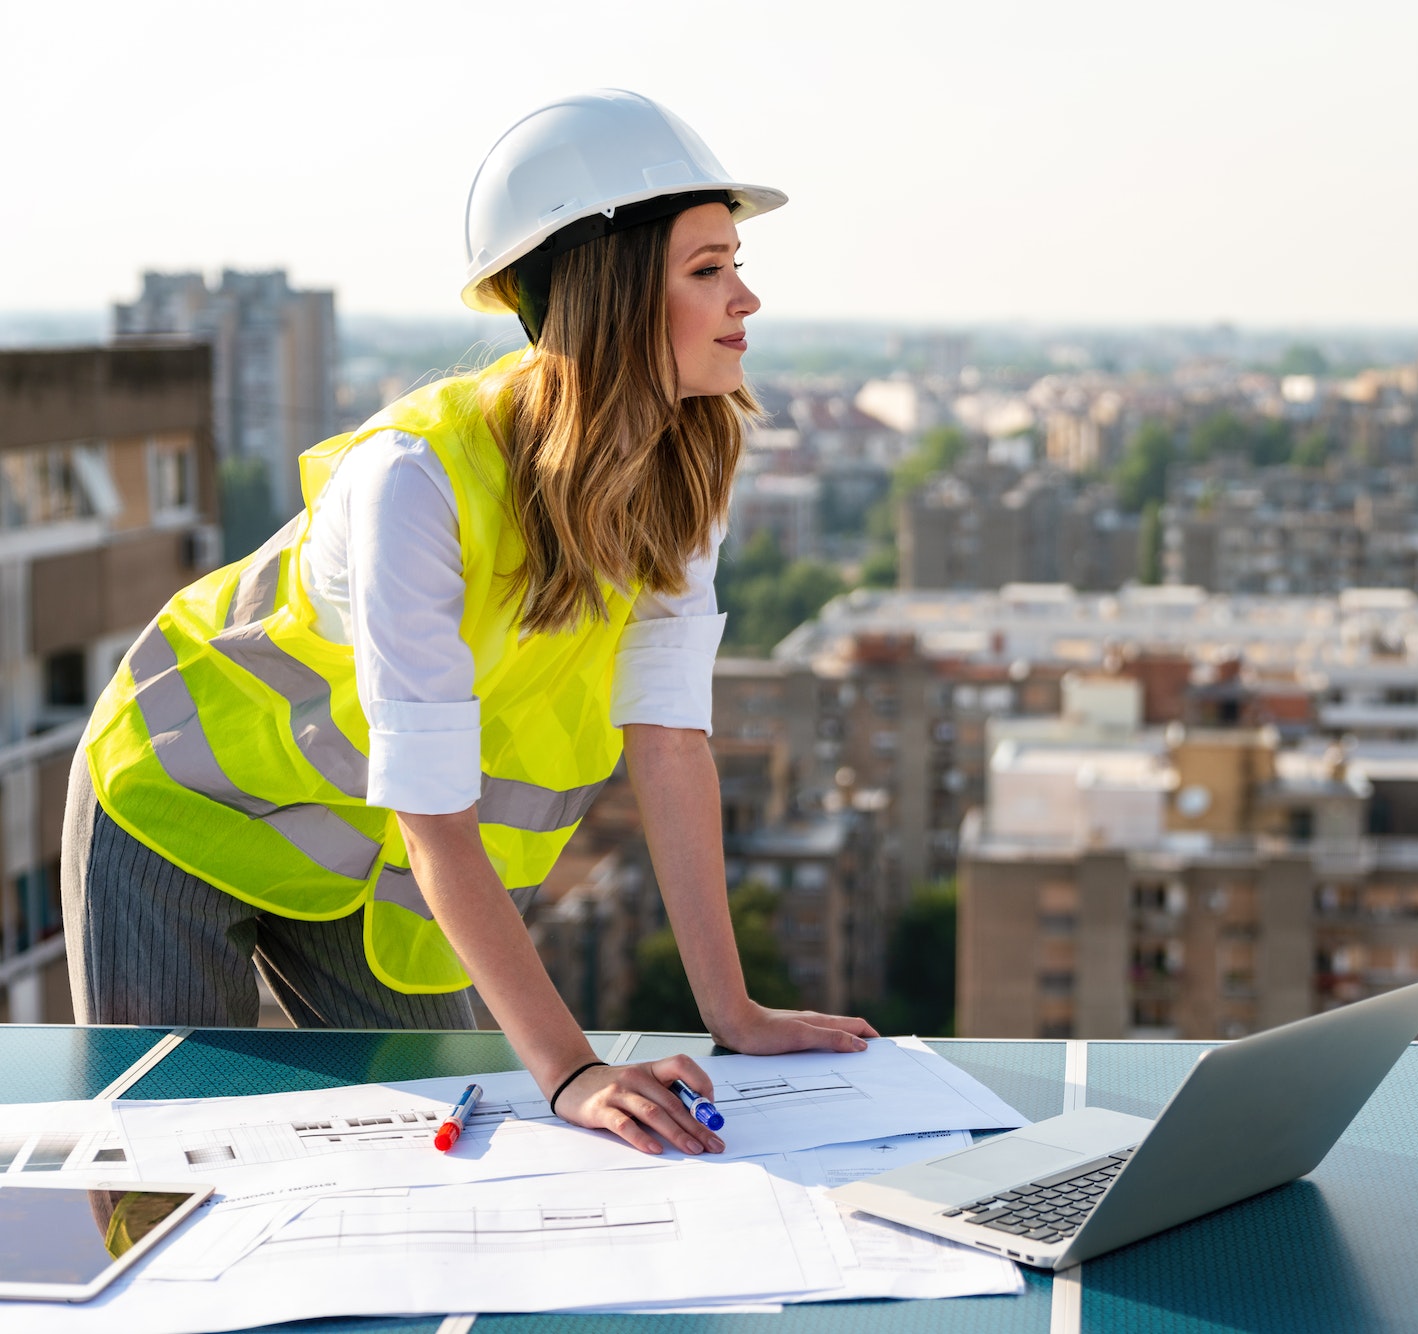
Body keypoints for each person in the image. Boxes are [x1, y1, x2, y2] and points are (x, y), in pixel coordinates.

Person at [60, 89, 876, 1158]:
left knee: (453, 1152)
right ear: (616, 293)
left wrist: (734, 1012)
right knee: (163, 1168)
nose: (747, 296)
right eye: (708, 268)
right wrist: (574, 1067)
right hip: (181, 808)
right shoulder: (416, 480)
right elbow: (436, 815)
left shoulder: (683, 476)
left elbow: (670, 743)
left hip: (367, 853)